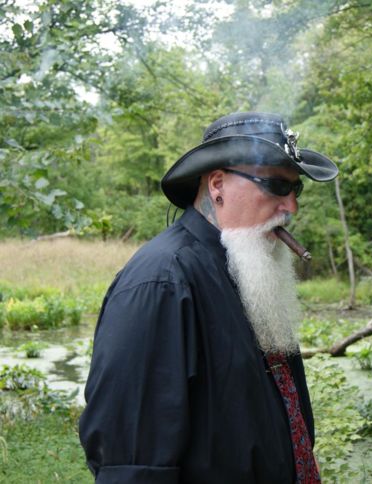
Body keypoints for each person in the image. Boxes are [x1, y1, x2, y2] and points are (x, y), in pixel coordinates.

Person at [79, 112, 339, 483]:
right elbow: (131, 463)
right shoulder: (163, 281)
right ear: (217, 185)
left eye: (295, 190)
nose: (291, 207)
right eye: (276, 186)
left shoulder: (248, 270)